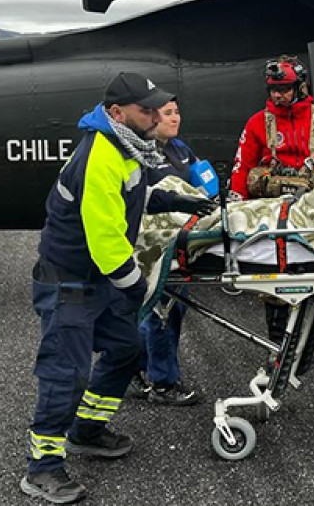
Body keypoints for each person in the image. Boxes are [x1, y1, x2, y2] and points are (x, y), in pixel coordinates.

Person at [22, 72, 216, 504]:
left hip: (94, 278)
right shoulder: (99, 155)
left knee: (127, 348)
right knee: (65, 372)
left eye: (156, 107)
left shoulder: (124, 147)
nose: (154, 115)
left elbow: (133, 194)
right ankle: (43, 467)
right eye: (146, 109)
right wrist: (133, 288)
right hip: (71, 280)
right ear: (116, 113)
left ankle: (86, 430)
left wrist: (175, 201)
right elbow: (106, 240)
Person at [229, 55, 314, 371]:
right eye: (272, 90)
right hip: (274, 215)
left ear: (301, 87)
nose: (277, 95)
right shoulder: (258, 123)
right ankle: (278, 347)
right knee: (275, 279)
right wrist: (235, 207)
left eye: (283, 89)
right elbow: (242, 166)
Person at [127, 100, 202, 406]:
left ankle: (134, 369)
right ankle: (164, 383)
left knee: (171, 309)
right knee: (162, 313)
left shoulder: (181, 149)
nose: (176, 119)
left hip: (179, 240)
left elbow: (202, 182)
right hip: (153, 244)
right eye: (168, 114)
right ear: (152, 119)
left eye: (177, 112)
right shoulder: (140, 154)